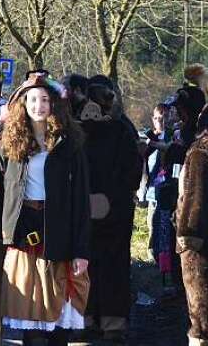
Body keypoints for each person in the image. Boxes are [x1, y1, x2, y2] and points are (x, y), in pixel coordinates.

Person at [0, 71, 90, 345]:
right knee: (31, 327)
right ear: (23, 104)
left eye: (45, 99)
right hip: (24, 236)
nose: (39, 105)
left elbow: (81, 202)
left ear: (54, 104)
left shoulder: (71, 145)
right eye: (33, 99)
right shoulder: (9, 146)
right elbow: (0, 198)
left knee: (59, 324)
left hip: (59, 238)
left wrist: (82, 251)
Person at [77, 75, 142, 341]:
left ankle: (89, 316)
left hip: (89, 208)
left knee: (89, 265)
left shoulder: (79, 131)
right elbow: (133, 173)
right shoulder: (123, 129)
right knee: (113, 266)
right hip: (116, 209)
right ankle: (111, 321)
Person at [176, 102, 208, 346]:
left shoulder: (200, 153)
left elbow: (193, 196)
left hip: (201, 245)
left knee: (201, 316)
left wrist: (187, 235)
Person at [145, 102, 181, 293]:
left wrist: (154, 144)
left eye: (166, 116)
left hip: (170, 191)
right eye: (158, 118)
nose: (163, 121)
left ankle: (170, 277)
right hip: (159, 192)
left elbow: (171, 150)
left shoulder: (177, 135)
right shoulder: (159, 137)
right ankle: (164, 271)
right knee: (159, 231)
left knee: (167, 234)